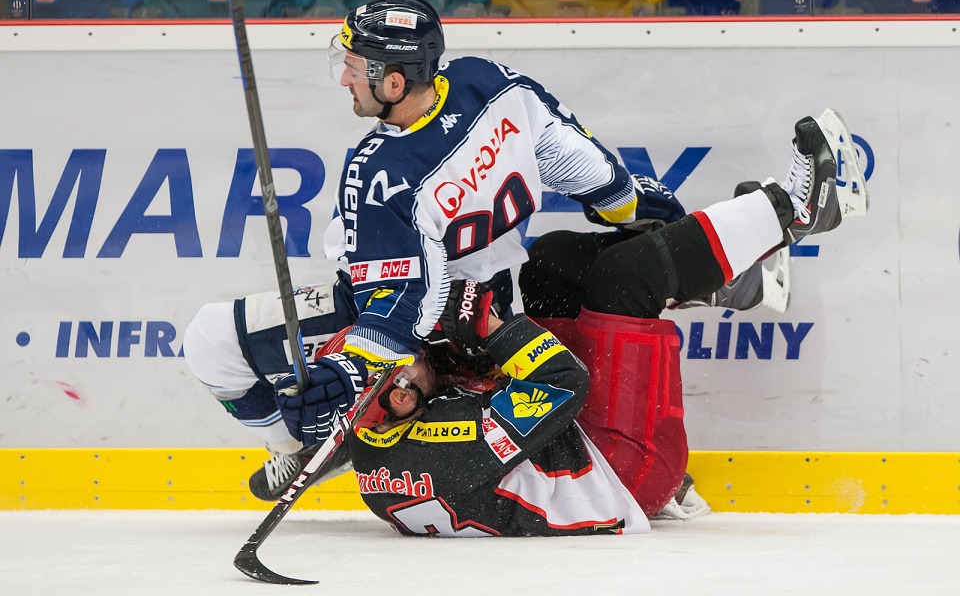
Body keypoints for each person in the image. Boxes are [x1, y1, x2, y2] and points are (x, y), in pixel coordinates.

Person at [183, 0, 686, 500]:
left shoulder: (382, 169)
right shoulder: (489, 82)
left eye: (353, 67)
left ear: (393, 82)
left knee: (209, 339)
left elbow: (399, 306)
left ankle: (298, 445)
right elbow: (591, 172)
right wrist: (659, 220)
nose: (344, 79)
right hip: (486, 318)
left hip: (421, 322)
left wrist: (347, 372)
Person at [315, 108, 868, 536]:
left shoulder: (386, 424)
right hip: (625, 468)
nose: (406, 344)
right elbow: (563, 382)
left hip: (567, 441)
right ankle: (798, 210)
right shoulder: (441, 441)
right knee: (624, 280)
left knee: (550, 264)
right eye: (396, 357)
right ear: (401, 398)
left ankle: (729, 275)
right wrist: (483, 326)